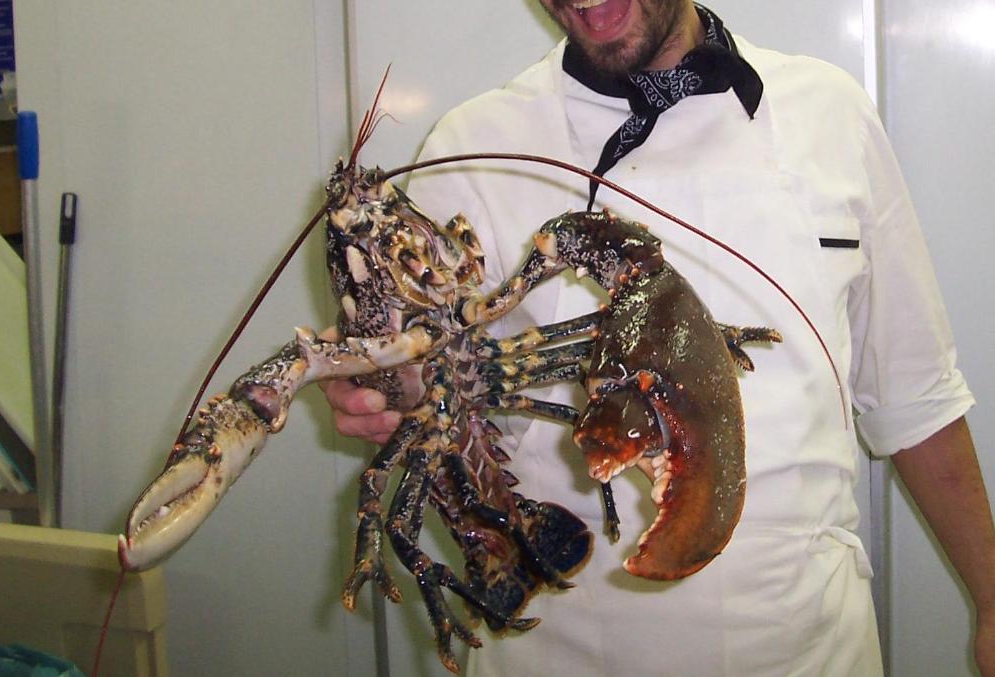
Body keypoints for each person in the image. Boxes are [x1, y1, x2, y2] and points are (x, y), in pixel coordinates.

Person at [324, 1, 995, 674]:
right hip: (562, 651)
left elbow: (915, 397)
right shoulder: (468, 146)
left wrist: (992, 602)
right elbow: (416, 380)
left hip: (808, 644)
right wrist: (378, 385)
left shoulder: (831, 113)